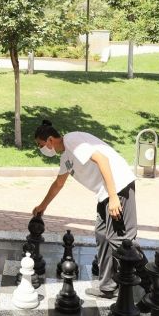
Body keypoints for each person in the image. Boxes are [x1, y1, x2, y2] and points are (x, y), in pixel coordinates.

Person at [32, 120, 145, 299]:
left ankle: (155, 286)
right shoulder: (66, 156)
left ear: (50, 140)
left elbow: (102, 159)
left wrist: (113, 196)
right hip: (104, 193)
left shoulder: (72, 140)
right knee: (102, 235)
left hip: (118, 186)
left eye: (40, 145)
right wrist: (42, 206)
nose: (41, 149)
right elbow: (58, 183)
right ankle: (107, 287)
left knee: (122, 242)